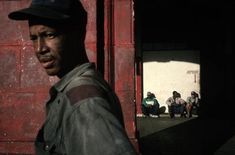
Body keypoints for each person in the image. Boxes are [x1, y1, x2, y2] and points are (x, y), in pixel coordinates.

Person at [8, 0, 137, 154]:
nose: (39, 48)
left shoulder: (85, 102)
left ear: (78, 33)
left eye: (49, 34)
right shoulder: (74, 91)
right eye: (34, 38)